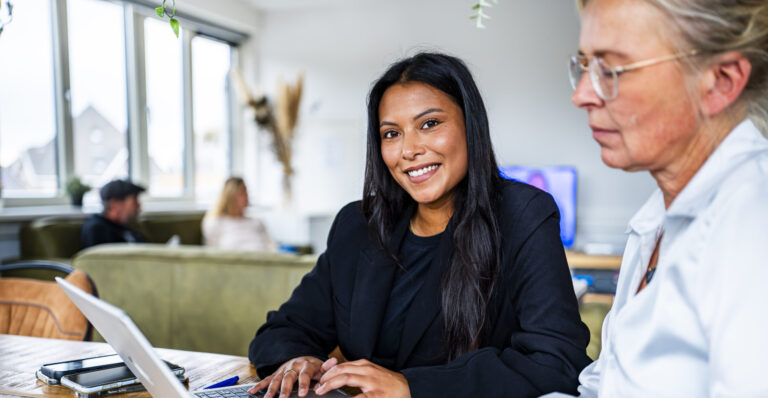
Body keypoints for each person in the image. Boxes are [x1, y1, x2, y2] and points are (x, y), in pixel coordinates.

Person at [248, 52, 591, 398]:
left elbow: (557, 362)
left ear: (470, 125)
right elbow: (281, 331)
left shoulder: (523, 215)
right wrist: (300, 359)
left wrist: (412, 388)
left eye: (429, 124)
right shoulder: (358, 225)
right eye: (392, 133)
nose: (408, 150)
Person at [556, 0, 768, 396]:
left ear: (722, 81)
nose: (582, 94)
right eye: (584, 66)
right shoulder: (653, 223)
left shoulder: (755, 220)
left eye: (611, 69)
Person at [202, 176, 276, 252]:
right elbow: (211, 254)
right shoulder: (215, 223)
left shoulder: (257, 222)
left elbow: (271, 248)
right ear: (231, 196)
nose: (247, 196)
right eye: (242, 192)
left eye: (247, 192)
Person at [80, 179, 147, 249]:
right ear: (114, 204)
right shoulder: (97, 229)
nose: (139, 206)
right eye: (134, 201)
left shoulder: (126, 227)